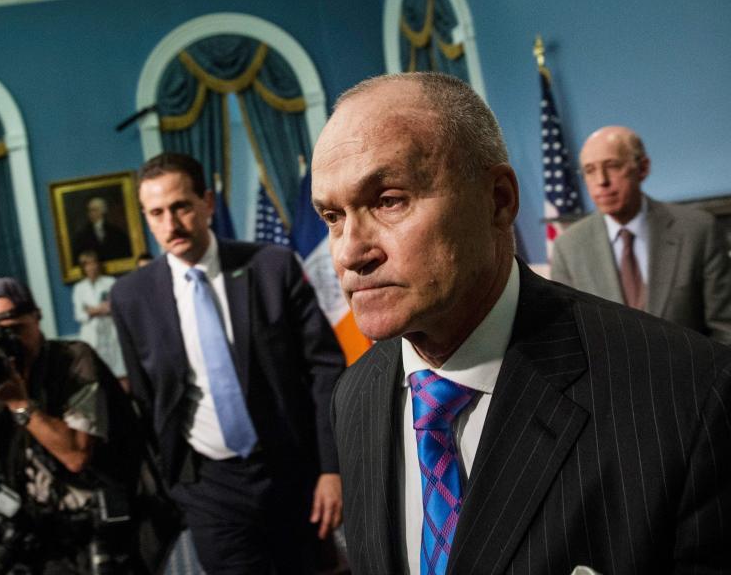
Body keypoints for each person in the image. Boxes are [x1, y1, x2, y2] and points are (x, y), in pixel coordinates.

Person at [310, 72, 731, 574]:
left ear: (499, 200)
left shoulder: (689, 393)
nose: (351, 252)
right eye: (333, 216)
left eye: (389, 200)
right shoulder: (353, 396)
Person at [110, 152, 346, 575]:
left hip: (291, 473)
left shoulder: (271, 268)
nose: (171, 224)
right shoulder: (131, 297)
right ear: (146, 218)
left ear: (207, 203)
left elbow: (325, 370)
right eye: (157, 213)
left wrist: (332, 468)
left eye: (181, 206)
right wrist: (176, 485)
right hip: (207, 486)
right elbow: (148, 400)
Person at [0, 277, 142, 574]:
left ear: (37, 318)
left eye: (16, 330)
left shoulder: (72, 361)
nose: (9, 344)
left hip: (100, 525)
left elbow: (76, 456)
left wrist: (19, 403)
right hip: (40, 530)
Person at [550, 125, 731, 341]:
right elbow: (570, 335)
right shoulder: (568, 247)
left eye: (613, 166)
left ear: (643, 168)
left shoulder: (698, 230)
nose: (601, 181)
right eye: (590, 170)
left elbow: (725, 328)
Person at [72, 249, 127, 389]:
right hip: (92, 335)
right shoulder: (79, 288)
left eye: (94, 263)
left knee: (119, 371)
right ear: (83, 267)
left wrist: (92, 310)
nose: (92, 267)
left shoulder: (110, 282)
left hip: (111, 331)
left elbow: (115, 307)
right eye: (88, 264)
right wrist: (99, 309)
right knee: (96, 373)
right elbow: (80, 315)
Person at [71, 196, 132, 264]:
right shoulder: (83, 234)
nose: (90, 213)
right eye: (89, 210)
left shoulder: (115, 232)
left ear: (102, 211)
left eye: (93, 210)